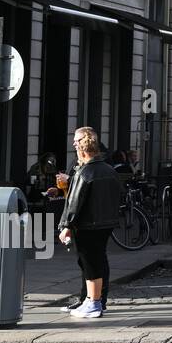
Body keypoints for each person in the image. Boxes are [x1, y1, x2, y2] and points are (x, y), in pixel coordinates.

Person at [57, 127, 121, 320]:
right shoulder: (109, 170)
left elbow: (74, 203)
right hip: (105, 223)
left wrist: (66, 226)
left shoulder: (84, 173)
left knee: (90, 263)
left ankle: (93, 302)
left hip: (87, 225)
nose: (74, 146)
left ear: (82, 149)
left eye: (76, 143)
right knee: (97, 261)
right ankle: (93, 300)